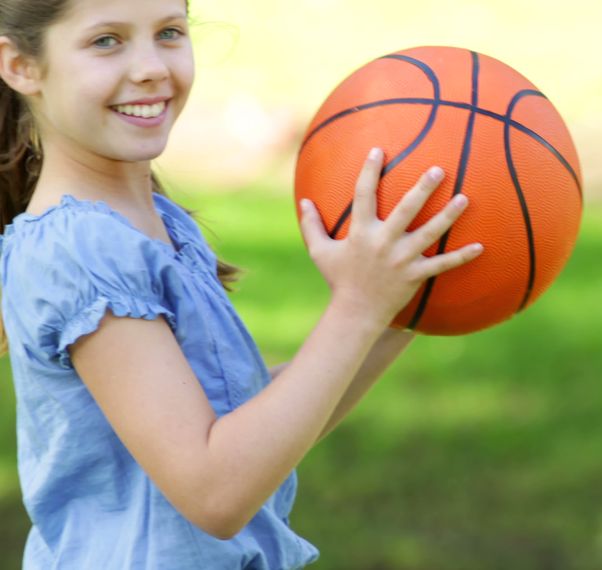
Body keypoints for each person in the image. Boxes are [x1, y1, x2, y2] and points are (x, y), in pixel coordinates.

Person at [0, 0, 484, 567]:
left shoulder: (150, 223)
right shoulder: (80, 247)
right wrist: (355, 309)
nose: (152, 65)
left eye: (169, 33)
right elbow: (215, 491)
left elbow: (253, 429)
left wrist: (401, 308)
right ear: (21, 66)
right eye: (107, 40)